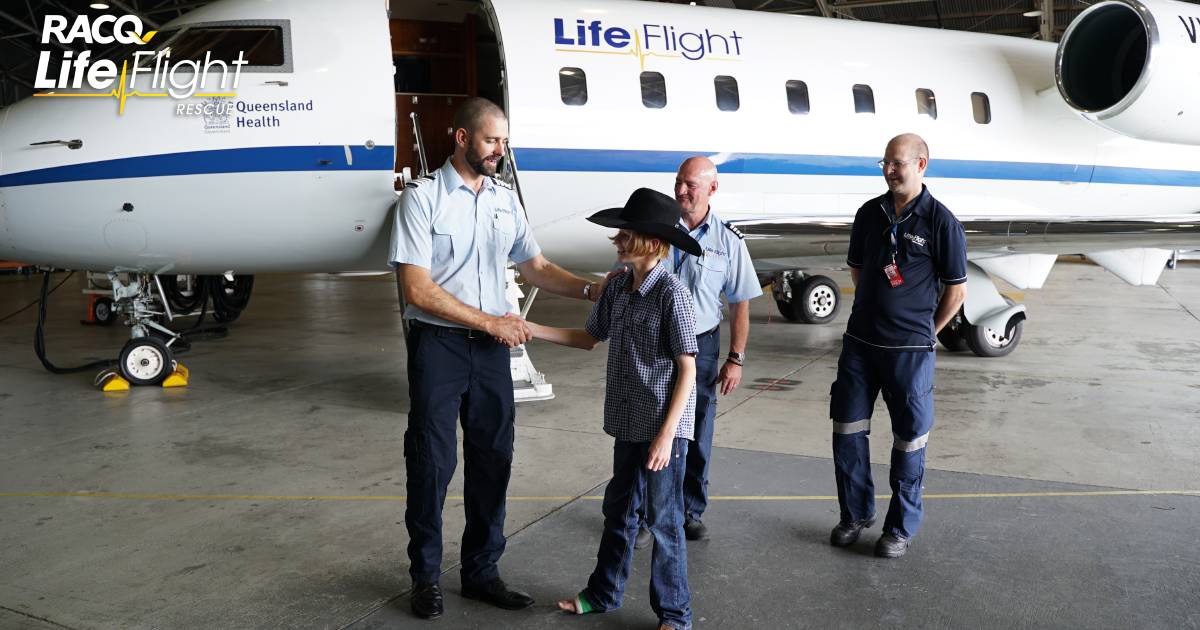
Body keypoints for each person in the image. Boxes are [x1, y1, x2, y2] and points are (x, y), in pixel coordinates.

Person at [388, 97, 609, 619]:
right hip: (438, 348)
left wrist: (590, 290)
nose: (500, 151)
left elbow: (534, 265)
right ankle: (425, 578)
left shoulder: (504, 199)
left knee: (493, 462)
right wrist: (491, 322)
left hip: (491, 354)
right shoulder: (422, 200)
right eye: (492, 141)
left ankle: (481, 573)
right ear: (462, 138)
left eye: (504, 141)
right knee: (431, 466)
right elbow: (417, 289)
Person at [527, 188, 702, 630]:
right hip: (628, 419)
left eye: (627, 233)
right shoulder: (617, 287)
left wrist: (667, 436)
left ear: (652, 242)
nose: (618, 240)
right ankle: (602, 594)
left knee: (663, 522)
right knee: (619, 512)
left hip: (664, 427)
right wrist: (530, 328)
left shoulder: (672, 294)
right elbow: (588, 338)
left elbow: (688, 370)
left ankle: (676, 616)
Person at [829, 133, 967, 559]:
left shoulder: (942, 222)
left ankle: (900, 528)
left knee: (909, 441)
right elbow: (857, 270)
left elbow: (956, 291)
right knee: (847, 430)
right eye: (886, 162)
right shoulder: (869, 214)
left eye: (898, 163)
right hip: (860, 346)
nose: (890, 170)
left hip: (909, 353)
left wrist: (925, 331)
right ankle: (855, 515)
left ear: (921, 165)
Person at [635, 157, 761, 548]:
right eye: (678, 183)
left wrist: (735, 359)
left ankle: (689, 511)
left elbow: (740, 303)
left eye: (690, 184)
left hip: (702, 344)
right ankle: (643, 514)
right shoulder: (655, 230)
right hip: (654, 342)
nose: (682, 191)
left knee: (697, 429)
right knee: (647, 425)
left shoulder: (728, 241)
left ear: (712, 189)